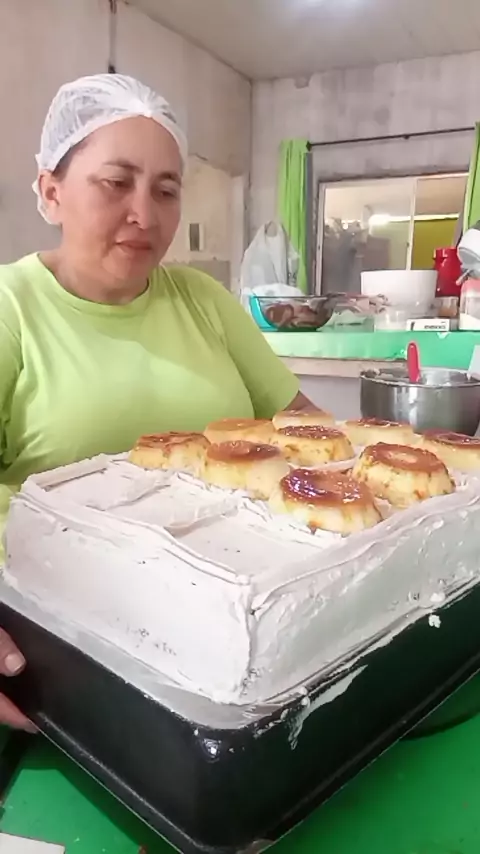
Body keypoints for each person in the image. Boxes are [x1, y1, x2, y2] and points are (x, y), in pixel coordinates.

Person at [0, 74, 313, 729]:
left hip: (242, 631)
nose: (145, 214)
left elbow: (305, 429)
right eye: (116, 183)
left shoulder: (203, 300)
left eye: (166, 190)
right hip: (63, 644)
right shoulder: (12, 309)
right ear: (51, 192)